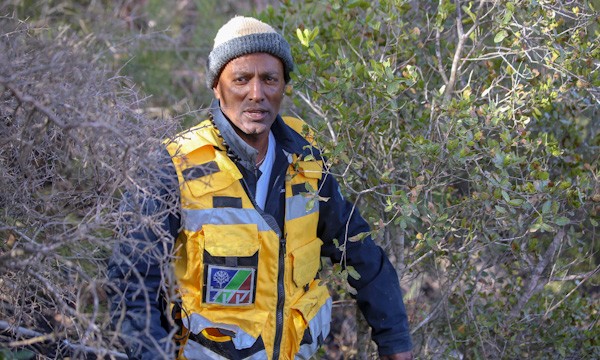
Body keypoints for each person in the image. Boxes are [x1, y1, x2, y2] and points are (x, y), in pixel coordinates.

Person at [108, 16, 413, 360]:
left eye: (269, 79)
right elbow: (131, 282)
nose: (257, 94)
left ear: (283, 85)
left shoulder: (306, 160)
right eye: (241, 79)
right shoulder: (174, 164)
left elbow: (358, 247)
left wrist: (395, 341)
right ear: (217, 85)